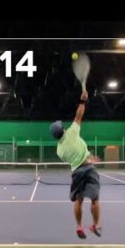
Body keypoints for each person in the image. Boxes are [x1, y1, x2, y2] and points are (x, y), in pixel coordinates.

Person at [50, 91, 102, 239]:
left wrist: (88, 157)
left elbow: (75, 157)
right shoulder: (72, 132)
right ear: (63, 130)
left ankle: (79, 226)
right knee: (95, 199)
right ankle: (95, 225)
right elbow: (79, 115)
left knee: (79, 200)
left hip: (77, 172)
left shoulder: (59, 150)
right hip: (89, 169)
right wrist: (82, 101)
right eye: (63, 126)